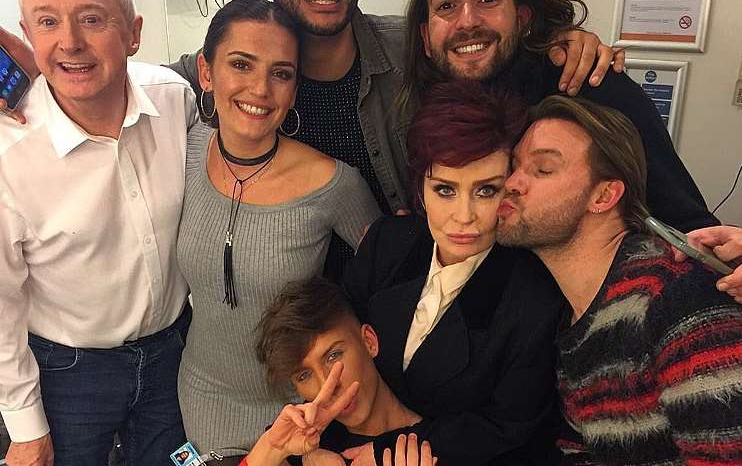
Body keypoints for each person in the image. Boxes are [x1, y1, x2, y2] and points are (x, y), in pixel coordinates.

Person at [168, 0, 625, 279]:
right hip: (298, 306)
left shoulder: (409, 47)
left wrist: (559, 41)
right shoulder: (233, 68)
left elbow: (487, 49)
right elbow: (145, 84)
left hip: (408, 296)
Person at [0, 0, 196, 466]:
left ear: (133, 33)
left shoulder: (176, 101)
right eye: (46, 22)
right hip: (67, 374)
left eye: (91, 18)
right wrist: (24, 427)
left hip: (174, 356)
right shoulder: (8, 155)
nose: (69, 41)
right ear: (26, 33)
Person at [401, 0, 719, 233]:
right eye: (446, 5)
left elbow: (685, 222)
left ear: (522, 19)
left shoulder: (587, 85)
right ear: (426, 38)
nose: (468, 20)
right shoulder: (421, 107)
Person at [176, 0, 379, 463]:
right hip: (199, 399)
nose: (261, 89)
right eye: (241, 65)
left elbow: (391, 281)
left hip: (302, 419)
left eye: (281, 73)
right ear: (207, 73)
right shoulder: (183, 149)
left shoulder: (333, 183)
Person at [496, 96, 742, 465]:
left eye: (543, 169)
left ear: (604, 195)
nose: (512, 183)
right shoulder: (574, 315)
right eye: (514, 167)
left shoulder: (676, 296)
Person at [343, 81, 565, 465]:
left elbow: (507, 427)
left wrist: (388, 451)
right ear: (420, 188)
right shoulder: (386, 243)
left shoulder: (535, 299)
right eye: (445, 190)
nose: (465, 217)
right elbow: (339, 340)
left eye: (486, 191)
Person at [247, 276, 433, 465]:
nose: (327, 384)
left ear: (369, 341)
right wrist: (273, 450)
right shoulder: (303, 447)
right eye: (304, 375)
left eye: (333, 355)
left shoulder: (444, 441)